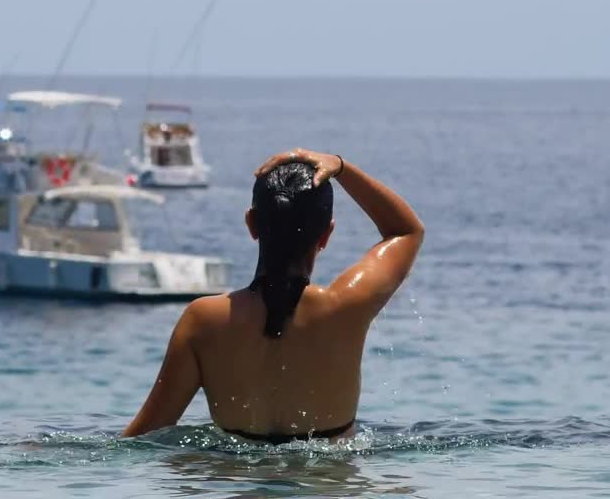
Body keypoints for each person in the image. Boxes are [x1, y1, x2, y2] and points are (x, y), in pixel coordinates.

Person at [121, 148, 424, 443]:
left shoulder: (202, 321)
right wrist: (342, 167)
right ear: (327, 234)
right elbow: (405, 231)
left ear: (251, 224)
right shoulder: (345, 306)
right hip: (328, 485)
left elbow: (145, 436)